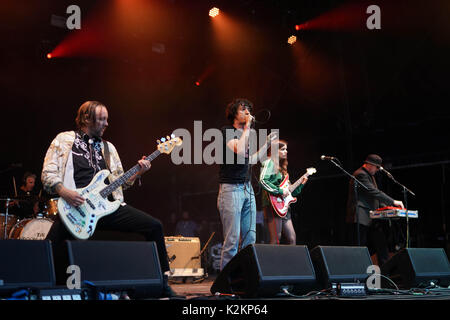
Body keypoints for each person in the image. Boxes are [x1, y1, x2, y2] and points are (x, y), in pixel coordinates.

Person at [41, 100, 175, 297]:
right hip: (75, 205)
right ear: (87, 119)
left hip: (107, 206)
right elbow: (48, 172)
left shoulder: (108, 148)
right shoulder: (64, 139)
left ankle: (162, 282)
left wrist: (138, 172)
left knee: (155, 225)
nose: (106, 123)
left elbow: (120, 180)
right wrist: (65, 192)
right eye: (102, 119)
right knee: (50, 245)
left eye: (107, 119)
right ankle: (42, 283)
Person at [217, 98, 276, 270]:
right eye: (243, 110)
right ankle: (226, 284)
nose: (248, 112)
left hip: (247, 188)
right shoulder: (226, 131)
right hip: (231, 190)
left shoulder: (246, 135)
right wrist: (248, 127)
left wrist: (266, 145)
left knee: (250, 238)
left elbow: (250, 160)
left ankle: (246, 279)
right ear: (234, 114)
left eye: (249, 109)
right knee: (232, 240)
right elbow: (240, 150)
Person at [345, 154, 404, 266]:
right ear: (370, 165)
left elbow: (374, 197)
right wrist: (393, 202)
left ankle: (385, 278)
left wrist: (389, 208)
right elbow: (373, 192)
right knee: (360, 248)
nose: (377, 170)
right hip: (360, 216)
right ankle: (359, 275)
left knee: (382, 246)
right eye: (377, 167)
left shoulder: (369, 175)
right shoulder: (360, 174)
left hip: (371, 217)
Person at [259, 139, 308, 245]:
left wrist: (301, 184)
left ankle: (291, 261)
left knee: (292, 238)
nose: (286, 151)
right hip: (272, 204)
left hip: (284, 206)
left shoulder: (283, 170)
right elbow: (263, 181)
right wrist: (280, 191)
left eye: (286, 149)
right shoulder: (269, 162)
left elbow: (290, 193)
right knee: (276, 239)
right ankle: (272, 261)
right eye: (283, 149)